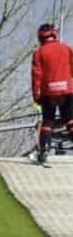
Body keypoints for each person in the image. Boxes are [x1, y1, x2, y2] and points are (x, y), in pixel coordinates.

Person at [33, 24, 73, 166]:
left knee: (48, 122)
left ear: (40, 37)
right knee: (69, 120)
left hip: (48, 93)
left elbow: (36, 76)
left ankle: (44, 151)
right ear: (54, 34)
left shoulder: (39, 53)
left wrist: (36, 96)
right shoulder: (67, 49)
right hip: (66, 91)